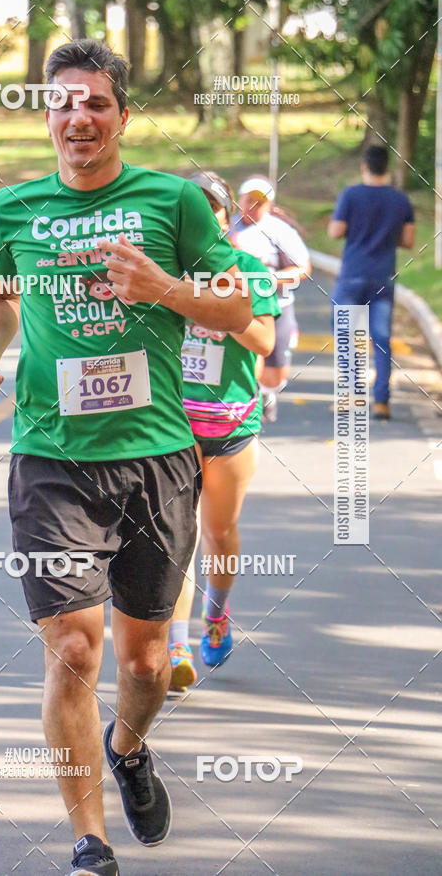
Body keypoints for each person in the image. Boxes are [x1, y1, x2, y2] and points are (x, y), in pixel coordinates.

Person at [0, 40, 253, 876]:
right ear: (46, 116)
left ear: (122, 115)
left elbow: (238, 309)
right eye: (63, 103)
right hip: (50, 458)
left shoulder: (172, 202)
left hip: (158, 458)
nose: (78, 116)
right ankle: (89, 845)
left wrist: (164, 288)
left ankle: (129, 747)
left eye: (95, 102)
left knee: (145, 660)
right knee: (75, 651)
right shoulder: (13, 210)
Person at [168, 172, 280, 687]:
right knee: (175, 540)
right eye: (191, 209)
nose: (201, 218)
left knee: (218, 532)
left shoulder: (251, 270)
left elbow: (262, 342)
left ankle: (217, 612)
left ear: (224, 215)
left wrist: (218, 301)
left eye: (210, 209)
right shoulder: (164, 269)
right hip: (170, 425)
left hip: (231, 425)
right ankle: (175, 647)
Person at [328, 144, 415, 419]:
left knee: (345, 335)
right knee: (381, 339)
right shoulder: (401, 201)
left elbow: (335, 231)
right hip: (383, 277)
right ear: (387, 168)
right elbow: (409, 240)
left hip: (352, 275)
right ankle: (381, 402)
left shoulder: (350, 195)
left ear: (364, 167)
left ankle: (353, 396)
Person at [231, 176, 311, 423]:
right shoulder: (228, 228)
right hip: (238, 307)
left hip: (276, 307)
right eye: (249, 201)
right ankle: (247, 401)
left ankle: (267, 392)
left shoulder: (280, 231)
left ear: (269, 205)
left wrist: (269, 279)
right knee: (242, 361)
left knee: (275, 375)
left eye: (260, 203)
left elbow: (303, 268)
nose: (253, 207)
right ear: (239, 201)